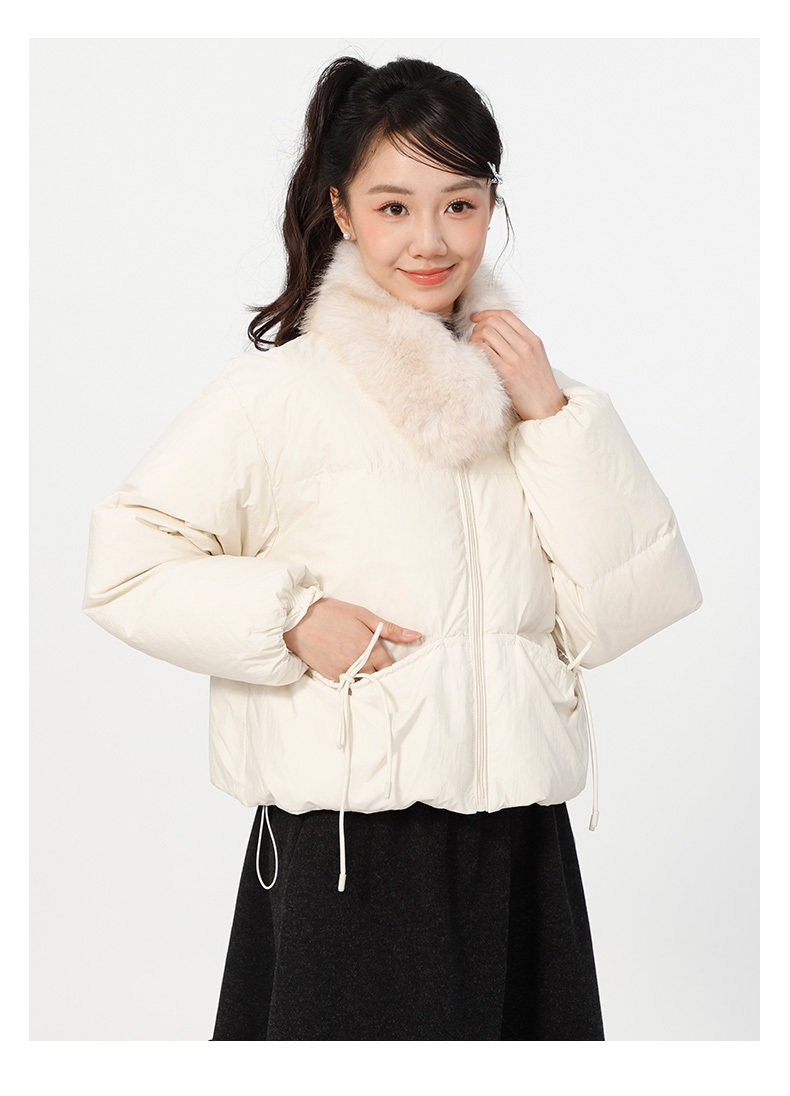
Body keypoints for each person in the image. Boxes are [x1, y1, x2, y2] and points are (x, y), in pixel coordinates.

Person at [82, 55, 703, 1041]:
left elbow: (620, 611)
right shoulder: (280, 395)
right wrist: (289, 620)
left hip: (519, 841)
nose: (430, 240)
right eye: (394, 206)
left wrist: (552, 418)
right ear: (341, 209)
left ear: (492, 205)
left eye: (460, 205)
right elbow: (124, 565)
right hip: (352, 853)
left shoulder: (528, 394)